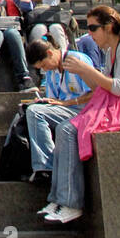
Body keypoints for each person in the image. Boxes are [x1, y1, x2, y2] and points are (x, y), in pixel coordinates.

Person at [41, 5, 120, 224]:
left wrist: (87, 70)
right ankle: (58, 199)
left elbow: (118, 87)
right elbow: (102, 88)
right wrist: (81, 71)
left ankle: (71, 203)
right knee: (64, 128)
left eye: (93, 28)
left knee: (70, 129)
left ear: (108, 27)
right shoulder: (112, 50)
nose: (89, 33)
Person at [22, 34, 93, 182]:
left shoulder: (77, 60)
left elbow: (94, 92)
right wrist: (44, 102)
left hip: (84, 110)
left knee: (35, 113)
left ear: (49, 53)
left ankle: (47, 166)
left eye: (43, 65)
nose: (45, 69)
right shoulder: (52, 72)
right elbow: (54, 98)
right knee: (31, 110)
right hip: (65, 110)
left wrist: (68, 103)